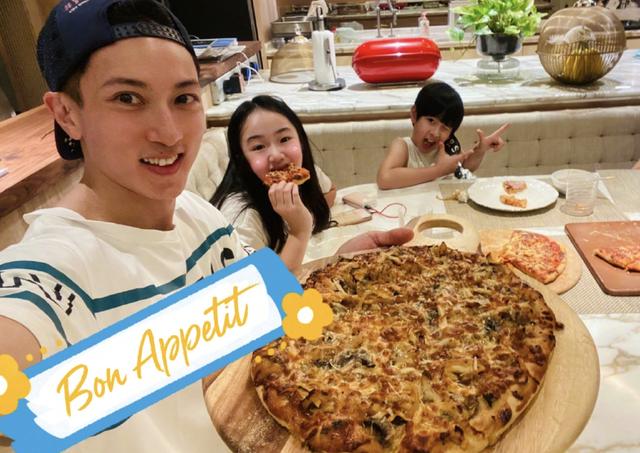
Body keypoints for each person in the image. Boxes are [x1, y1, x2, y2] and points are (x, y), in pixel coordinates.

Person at [0, 2, 411, 452]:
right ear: (67, 114)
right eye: (128, 98)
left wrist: (341, 267)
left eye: (183, 98)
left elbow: (248, 311)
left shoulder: (196, 213)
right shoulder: (55, 270)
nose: (169, 133)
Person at [211, 95, 336, 264]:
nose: (276, 155)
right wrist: (299, 231)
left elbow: (330, 191)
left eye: (284, 139)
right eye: (258, 147)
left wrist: (344, 253)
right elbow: (262, 280)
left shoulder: (299, 175)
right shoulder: (242, 219)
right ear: (242, 158)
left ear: (301, 139)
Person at [377, 82, 510, 189]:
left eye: (444, 128)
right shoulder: (403, 146)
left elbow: (465, 167)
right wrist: (438, 170)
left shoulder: (447, 147)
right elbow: (385, 178)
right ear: (414, 114)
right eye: (431, 120)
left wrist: (480, 150)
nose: (435, 133)